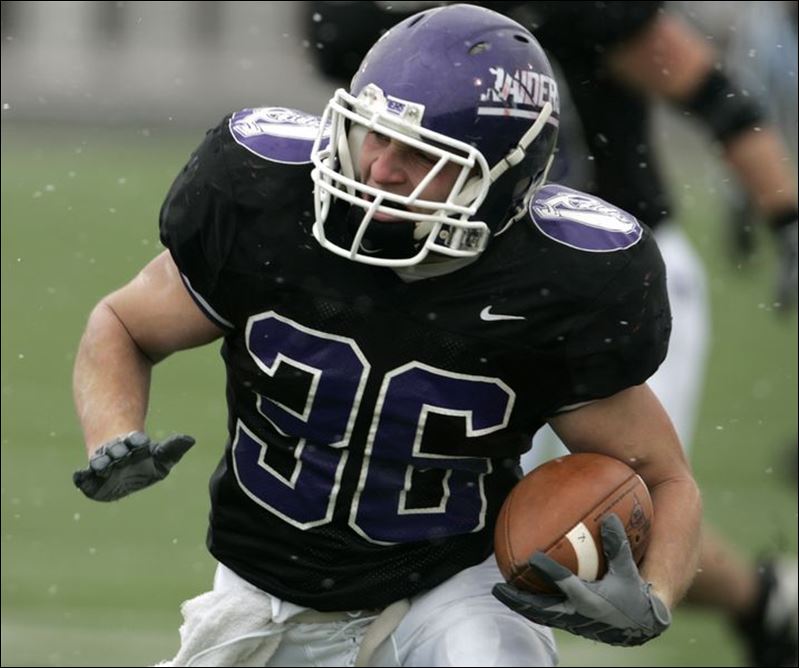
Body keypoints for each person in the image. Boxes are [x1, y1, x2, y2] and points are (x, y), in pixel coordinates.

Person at [73, 5, 702, 666]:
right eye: (373, 135)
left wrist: (653, 596)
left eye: (419, 154)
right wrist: (113, 433)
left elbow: (662, 476)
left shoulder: (552, 283)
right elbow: (122, 324)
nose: (378, 169)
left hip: (448, 590)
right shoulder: (266, 205)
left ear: (501, 176)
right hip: (262, 594)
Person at [306, 2, 799, 667]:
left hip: (600, 283)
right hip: (457, 272)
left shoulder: (576, 8)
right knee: (456, 498)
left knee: (599, 512)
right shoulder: (382, 21)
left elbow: (706, 89)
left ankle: (757, 602)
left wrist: (784, 213)